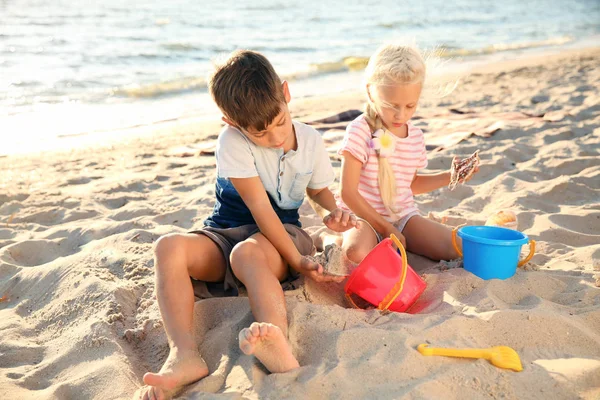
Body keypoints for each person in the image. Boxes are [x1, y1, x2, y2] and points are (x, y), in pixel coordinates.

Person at [135, 50, 357, 400]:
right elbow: (257, 208)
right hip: (227, 231)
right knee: (168, 246)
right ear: (230, 122)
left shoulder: (310, 140)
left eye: (280, 122)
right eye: (260, 132)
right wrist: (300, 264)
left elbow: (317, 191)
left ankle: (276, 339)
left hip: (282, 237)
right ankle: (184, 355)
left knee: (247, 254)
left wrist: (333, 211)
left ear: (286, 93)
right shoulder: (232, 142)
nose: (275, 138)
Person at [316, 43, 478, 266]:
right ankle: (331, 236)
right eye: (391, 105)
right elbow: (348, 193)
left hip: (402, 218)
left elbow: (411, 185)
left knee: (456, 248)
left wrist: (451, 176)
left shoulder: (415, 136)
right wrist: (386, 228)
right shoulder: (359, 130)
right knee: (356, 253)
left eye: (410, 105)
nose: (401, 115)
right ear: (370, 92)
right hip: (363, 218)